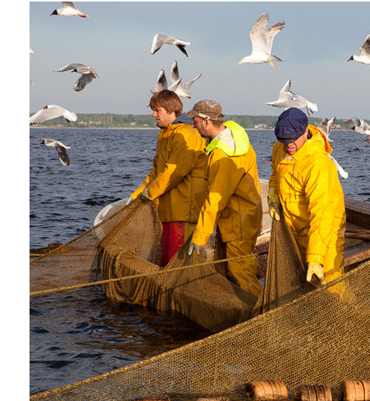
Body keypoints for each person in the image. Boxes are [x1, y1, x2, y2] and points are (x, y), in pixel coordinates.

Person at [185, 100, 263, 296]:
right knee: (244, 265)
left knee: (240, 271)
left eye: (195, 121)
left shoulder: (223, 154)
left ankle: (258, 315)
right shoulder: (237, 139)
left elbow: (216, 199)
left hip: (238, 221)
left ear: (206, 121)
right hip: (249, 215)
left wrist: (200, 237)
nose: (193, 125)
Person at [128, 89, 208, 266]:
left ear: (171, 111)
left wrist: (149, 194)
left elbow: (174, 172)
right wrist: (136, 195)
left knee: (176, 262)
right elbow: (156, 173)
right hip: (169, 211)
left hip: (185, 212)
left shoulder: (186, 134)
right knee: (166, 259)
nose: (153, 115)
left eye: (157, 111)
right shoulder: (166, 134)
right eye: (153, 110)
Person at [268, 108, 346, 285]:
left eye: (292, 140)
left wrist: (316, 256)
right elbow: (275, 173)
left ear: (305, 131)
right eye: (284, 140)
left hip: (324, 233)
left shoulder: (317, 163)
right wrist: (273, 193)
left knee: (330, 283)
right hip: (294, 230)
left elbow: (322, 214)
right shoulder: (280, 149)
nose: (289, 145)